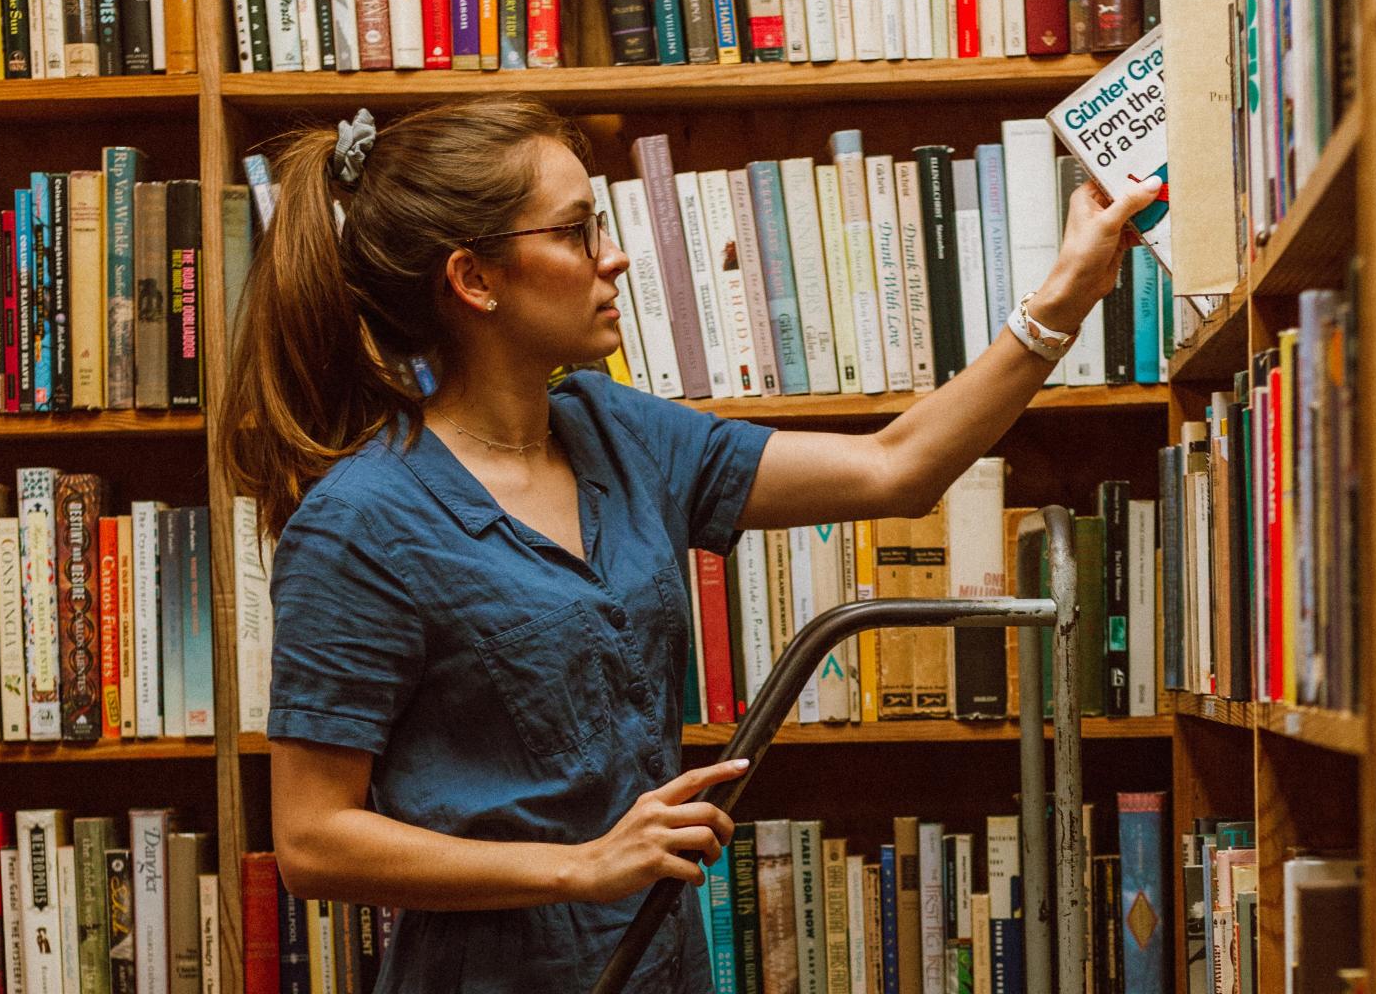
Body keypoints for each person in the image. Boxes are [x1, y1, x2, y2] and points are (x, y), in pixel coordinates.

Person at [219, 97, 1161, 992]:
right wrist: (578, 868)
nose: (615, 258)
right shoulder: (362, 522)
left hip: (661, 967)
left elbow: (896, 469)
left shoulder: (616, 431)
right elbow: (311, 842)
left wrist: (1066, 296)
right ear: (474, 279)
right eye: (578, 230)